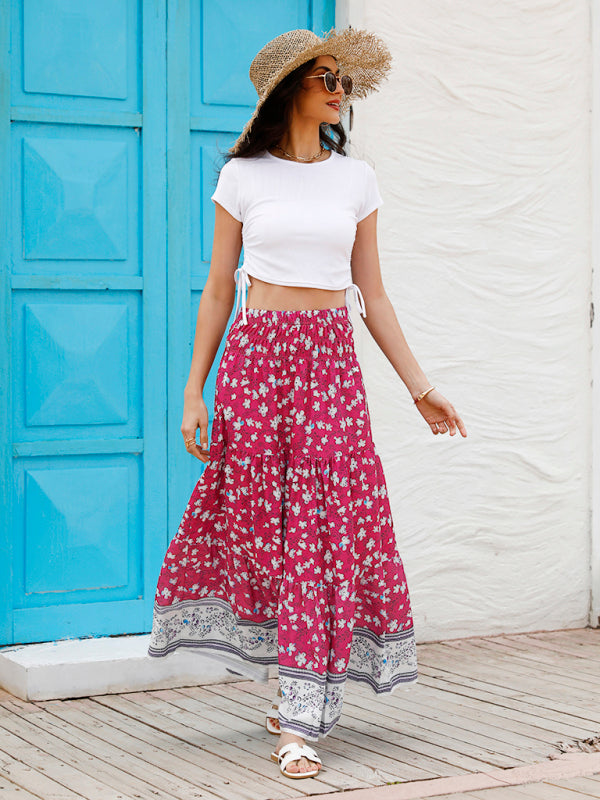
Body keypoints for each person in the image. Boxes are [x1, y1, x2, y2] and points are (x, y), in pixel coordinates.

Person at [148, 27, 467, 780]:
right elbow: (221, 288)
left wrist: (421, 388)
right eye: (326, 77)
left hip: (329, 363)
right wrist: (194, 388)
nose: (339, 89)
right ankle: (289, 684)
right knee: (266, 521)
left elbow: (374, 295)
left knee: (325, 525)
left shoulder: (356, 181)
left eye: (344, 80)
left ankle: (299, 719)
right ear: (292, 86)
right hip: (258, 362)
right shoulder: (242, 178)